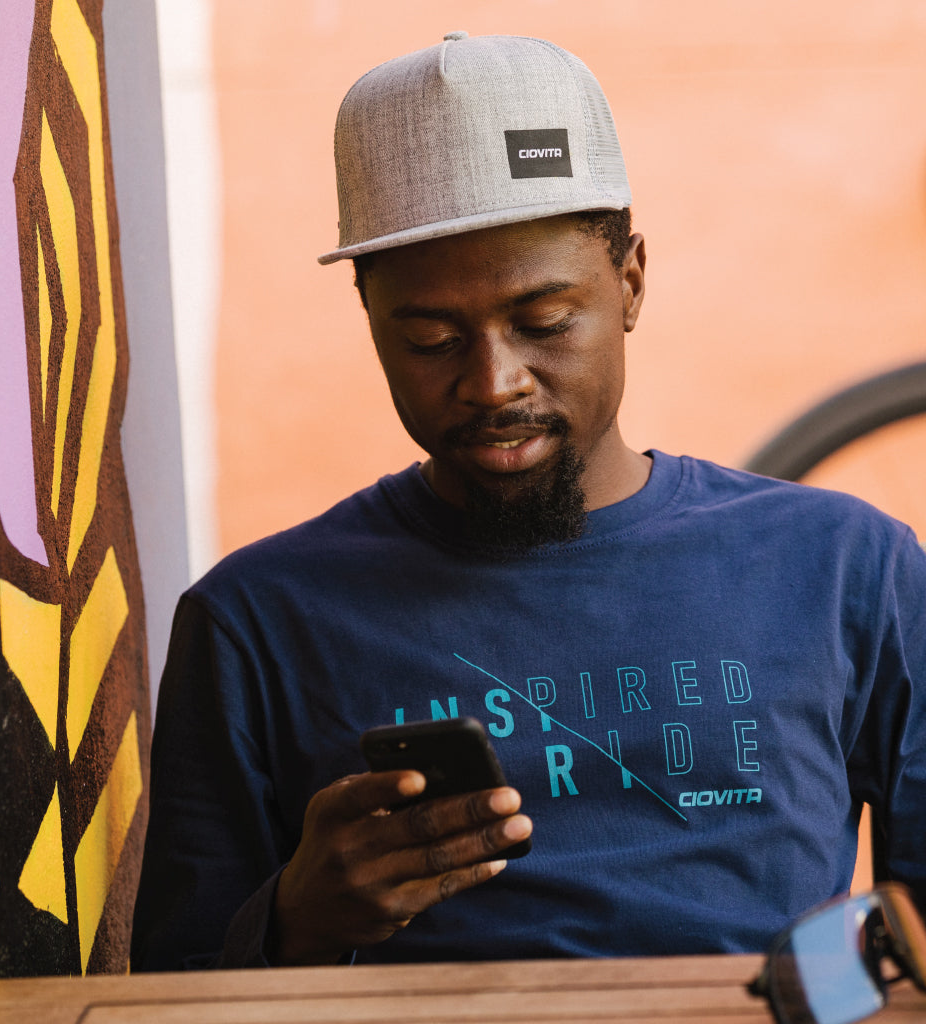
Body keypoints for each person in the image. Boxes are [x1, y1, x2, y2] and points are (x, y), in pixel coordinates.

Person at [131, 31, 926, 970]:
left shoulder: (846, 568)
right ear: (368, 317)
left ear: (629, 281)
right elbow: (170, 991)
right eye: (431, 338)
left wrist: (794, 994)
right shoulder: (255, 622)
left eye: (543, 322)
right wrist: (297, 922)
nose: (494, 381)